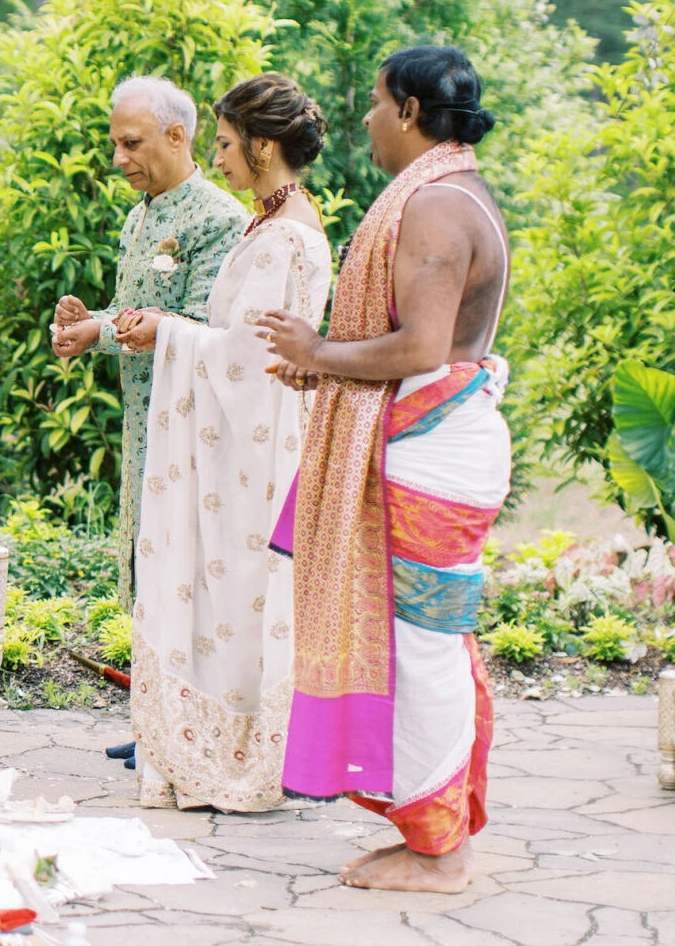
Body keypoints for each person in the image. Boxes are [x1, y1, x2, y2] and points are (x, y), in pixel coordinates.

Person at [260, 46, 510, 893]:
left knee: (424, 650)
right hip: (437, 442)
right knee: (428, 644)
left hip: (433, 453)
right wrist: (325, 364)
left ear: (408, 111)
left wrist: (321, 350)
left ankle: (441, 851)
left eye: (373, 103)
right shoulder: (454, 190)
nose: (364, 119)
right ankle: (435, 833)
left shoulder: (435, 206)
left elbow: (422, 347)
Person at [128, 74, 333, 812]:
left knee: (242, 592)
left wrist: (168, 332)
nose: (217, 160)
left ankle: (235, 755)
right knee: (232, 593)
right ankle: (209, 745)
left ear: (263, 146)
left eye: (223, 143)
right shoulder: (268, 224)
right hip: (246, 442)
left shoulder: (286, 236)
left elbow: (250, 358)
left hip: (256, 443)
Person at [52, 77, 249, 613]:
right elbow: (138, 315)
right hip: (144, 418)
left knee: (188, 567)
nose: (118, 158)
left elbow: (205, 329)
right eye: (115, 143)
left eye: (131, 144)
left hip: (193, 424)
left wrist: (104, 330)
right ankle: (152, 683)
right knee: (148, 561)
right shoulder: (139, 216)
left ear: (177, 136)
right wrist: (90, 321)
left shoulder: (219, 220)